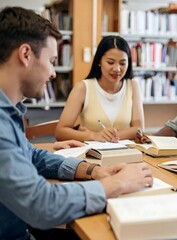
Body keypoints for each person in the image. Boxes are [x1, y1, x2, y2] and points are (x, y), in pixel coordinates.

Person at [0, 7, 153, 239]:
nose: (53, 73)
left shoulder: (9, 112)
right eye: (51, 61)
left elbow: (31, 155)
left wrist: (92, 171)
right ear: (25, 54)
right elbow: (42, 205)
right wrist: (117, 184)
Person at [55, 35, 145, 143]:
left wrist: (109, 136)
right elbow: (60, 132)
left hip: (125, 154)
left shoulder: (133, 86)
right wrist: (94, 135)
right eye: (110, 62)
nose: (117, 69)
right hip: (92, 155)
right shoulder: (83, 88)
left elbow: (139, 129)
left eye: (122, 63)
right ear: (99, 61)